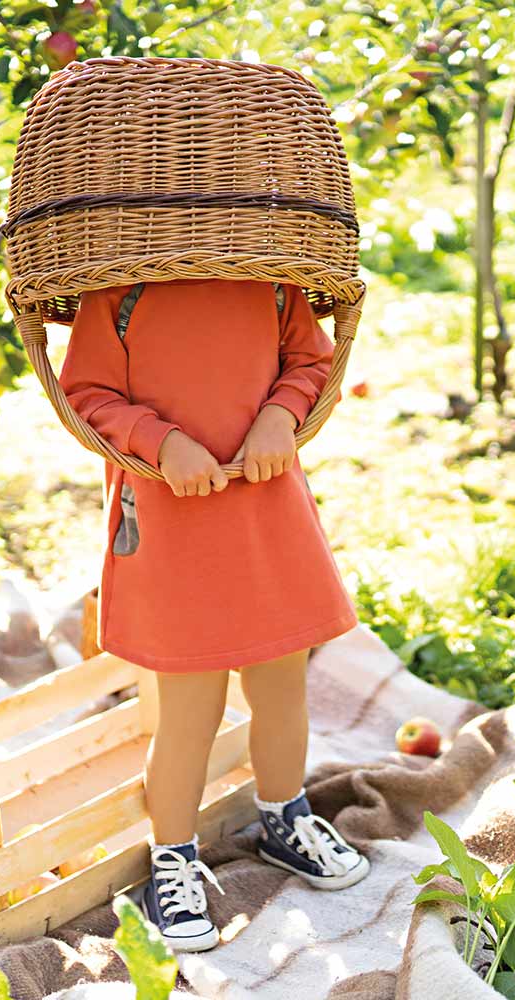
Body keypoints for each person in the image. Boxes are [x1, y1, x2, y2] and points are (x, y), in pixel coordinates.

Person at [58, 276, 369, 952]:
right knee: (190, 711)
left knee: (281, 686)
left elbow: (312, 361)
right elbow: (85, 392)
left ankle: (284, 817)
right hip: (174, 518)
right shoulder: (119, 291)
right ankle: (172, 857)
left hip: (264, 509)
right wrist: (161, 442)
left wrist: (280, 416)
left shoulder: (270, 277)